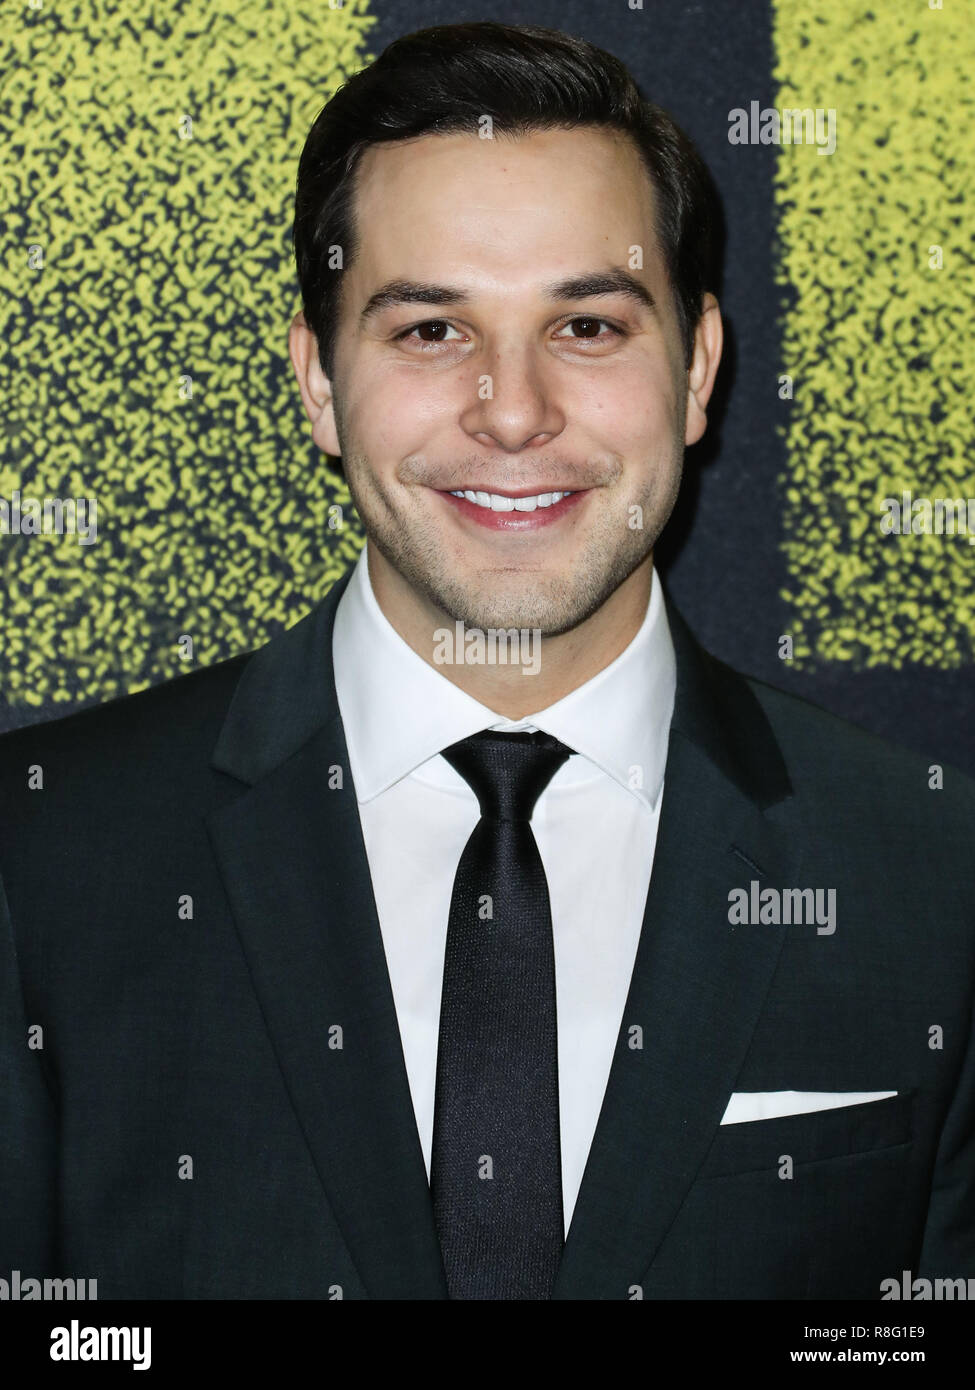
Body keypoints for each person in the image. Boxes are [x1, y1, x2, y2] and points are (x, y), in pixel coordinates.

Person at [1, 21, 973, 1302]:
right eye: (427, 332)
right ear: (317, 383)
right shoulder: (42, 858)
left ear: (698, 370)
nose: (513, 412)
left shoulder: (930, 876)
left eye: (585, 326)